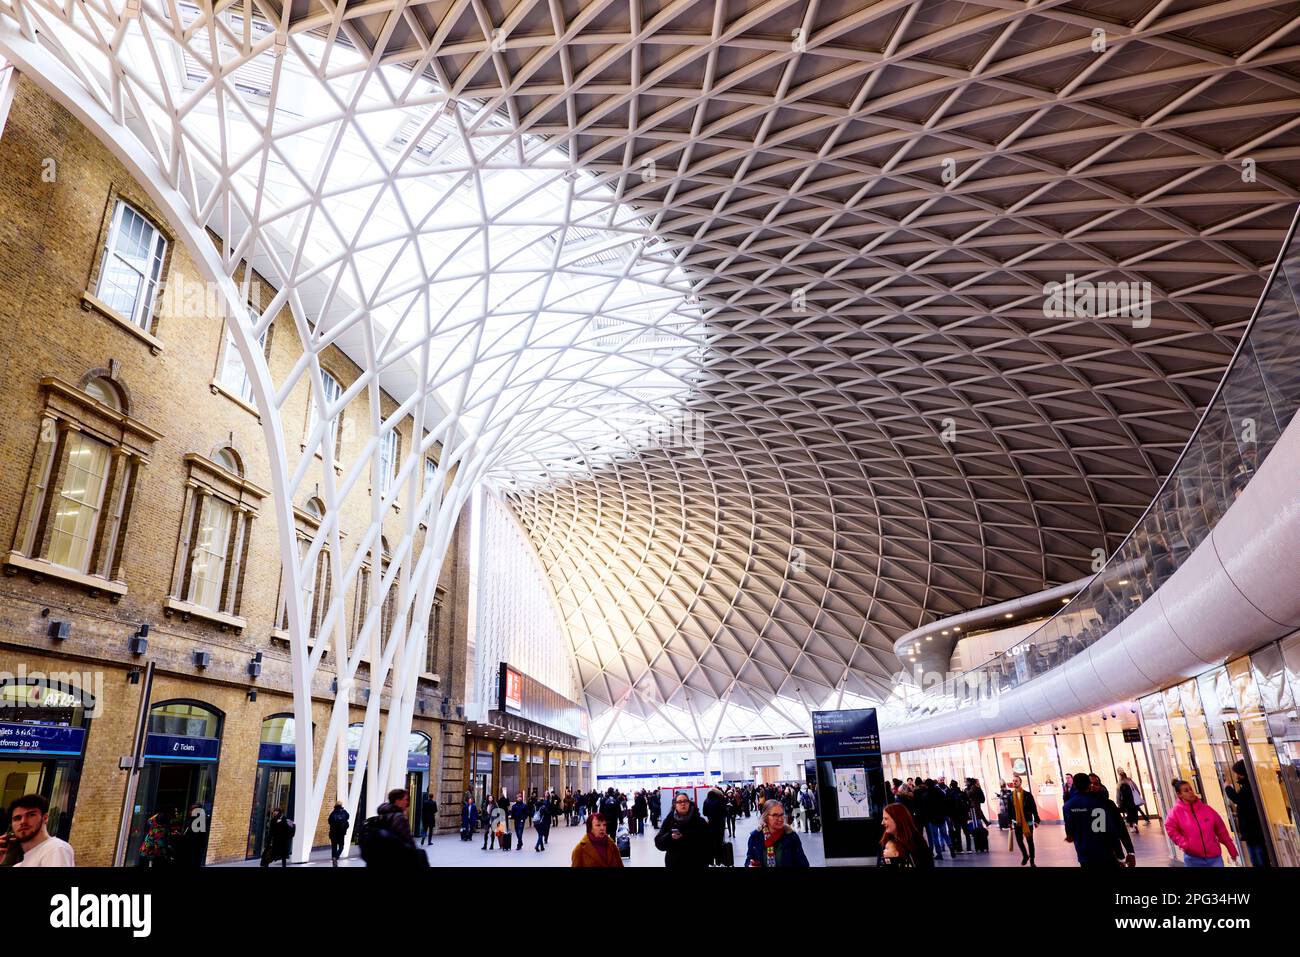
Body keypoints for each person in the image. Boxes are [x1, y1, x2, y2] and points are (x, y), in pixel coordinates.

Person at [1063, 772, 1133, 869]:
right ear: (1087, 785)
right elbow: (1110, 831)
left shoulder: (1068, 806)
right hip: (1104, 853)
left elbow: (1120, 828)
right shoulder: (1099, 803)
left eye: (1096, 784)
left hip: (1087, 855)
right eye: (1091, 784)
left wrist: (1127, 852)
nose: (1093, 786)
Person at [1166, 779, 1238, 867]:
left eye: (1190, 789)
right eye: (1186, 790)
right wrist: (1184, 844)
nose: (1190, 792)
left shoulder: (1207, 809)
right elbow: (1170, 829)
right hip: (1192, 859)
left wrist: (1232, 849)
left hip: (1214, 858)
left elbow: (1222, 831)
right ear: (1179, 794)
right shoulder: (1175, 812)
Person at [361, 788, 427, 868]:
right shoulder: (399, 818)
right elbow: (409, 843)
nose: (407, 803)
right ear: (397, 801)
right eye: (405, 799)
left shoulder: (381, 816)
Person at [6, 794, 75, 867]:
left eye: (31, 815)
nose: (23, 821)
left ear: (45, 818)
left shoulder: (55, 848)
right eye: (17, 818)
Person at [1224, 761, 1268, 867]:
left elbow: (1238, 799)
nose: (1235, 775)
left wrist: (1228, 788)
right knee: (1255, 858)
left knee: (1259, 858)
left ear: (1241, 773)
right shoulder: (1247, 786)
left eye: (1236, 773)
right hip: (1251, 831)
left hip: (1254, 830)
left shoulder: (1249, 787)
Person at [744, 799, 810, 868]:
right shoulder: (755, 837)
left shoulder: (791, 837)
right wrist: (750, 865)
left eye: (781, 815)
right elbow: (748, 860)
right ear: (766, 817)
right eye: (775, 815)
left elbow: (803, 863)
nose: (780, 819)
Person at [653, 792, 711, 868]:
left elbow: (709, 842)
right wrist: (670, 837)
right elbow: (659, 843)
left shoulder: (700, 821)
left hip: (697, 863)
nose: (683, 804)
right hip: (674, 863)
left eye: (685, 801)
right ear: (675, 805)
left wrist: (688, 836)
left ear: (689, 803)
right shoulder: (669, 821)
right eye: (679, 802)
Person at [878, 802, 932, 868]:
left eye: (886, 819)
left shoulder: (917, 843)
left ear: (897, 819)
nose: (882, 822)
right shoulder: (886, 841)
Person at [1007, 775, 1039, 866]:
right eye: (1013, 781)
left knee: (1030, 841)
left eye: (1016, 781)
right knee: (1019, 840)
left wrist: (1036, 819)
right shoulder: (1010, 796)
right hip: (1016, 822)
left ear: (1020, 782)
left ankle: (1032, 860)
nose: (1014, 782)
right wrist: (1009, 822)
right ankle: (1025, 855)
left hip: (1027, 821)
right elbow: (1009, 810)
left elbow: (1034, 808)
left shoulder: (1028, 795)